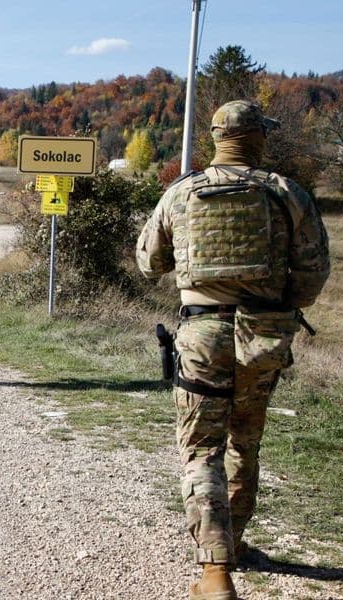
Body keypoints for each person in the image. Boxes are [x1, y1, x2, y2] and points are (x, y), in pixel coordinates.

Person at [136, 100, 330, 600]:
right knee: (245, 443)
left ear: (217, 137)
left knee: (202, 450)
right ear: (259, 138)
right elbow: (313, 271)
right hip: (263, 337)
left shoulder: (182, 193)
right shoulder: (287, 192)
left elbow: (148, 262)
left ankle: (215, 572)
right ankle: (236, 545)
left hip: (201, 335)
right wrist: (281, 305)